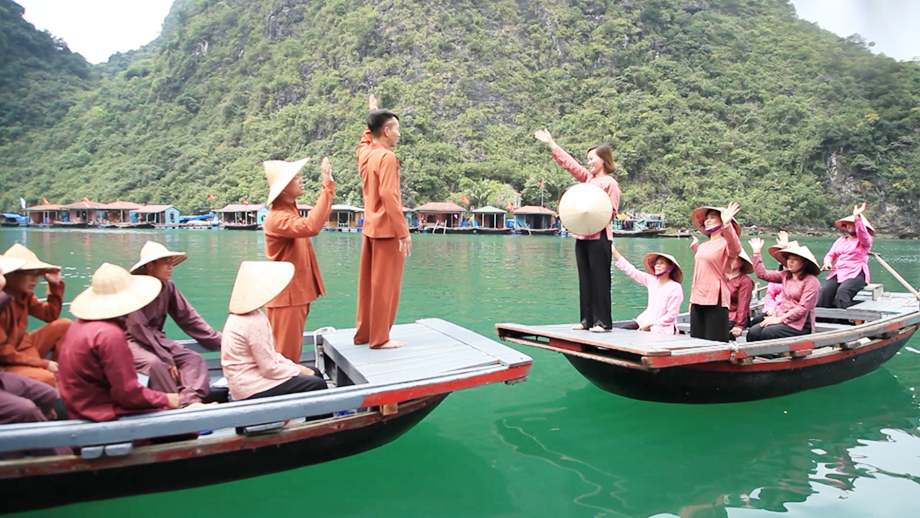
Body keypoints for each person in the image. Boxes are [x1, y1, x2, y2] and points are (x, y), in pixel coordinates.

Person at [58, 263, 181, 422]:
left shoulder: (78, 326)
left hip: (80, 409)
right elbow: (128, 394)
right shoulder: (110, 334)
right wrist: (166, 399)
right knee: (179, 420)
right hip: (102, 414)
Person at [534, 128, 621, 332]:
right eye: (588, 159)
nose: (589, 162)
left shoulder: (611, 184)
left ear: (603, 159)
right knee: (585, 279)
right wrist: (552, 144)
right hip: (582, 236)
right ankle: (587, 320)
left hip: (600, 237)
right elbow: (570, 164)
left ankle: (603, 322)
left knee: (600, 280)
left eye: (592, 158)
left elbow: (611, 211)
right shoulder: (589, 180)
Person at [126, 241, 222, 406]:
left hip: (156, 339)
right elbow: (138, 329)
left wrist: (218, 340)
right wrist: (166, 359)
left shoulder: (167, 287)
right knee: (154, 364)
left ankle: (191, 401)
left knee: (193, 359)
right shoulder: (134, 290)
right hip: (132, 340)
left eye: (171, 262)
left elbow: (188, 317)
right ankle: (172, 404)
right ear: (150, 265)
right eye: (166, 262)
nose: (171, 266)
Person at [263, 156, 335, 362]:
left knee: (290, 352)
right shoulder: (278, 218)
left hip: (295, 295)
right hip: (287, 297)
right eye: (296, 178)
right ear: (284, 188)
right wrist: (327, 186)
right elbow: (311, 227)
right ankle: (284, 391)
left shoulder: (289, 212)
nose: (301, 180)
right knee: (285, 356)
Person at [221, 261, 327, 401]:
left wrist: (292, 366)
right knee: (317, 383)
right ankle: (321, 421)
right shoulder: (255, 321)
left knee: (314, 372)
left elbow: (269, 357)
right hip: (252, 386)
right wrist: (298, 370)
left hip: (242, 382)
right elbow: (269, 368)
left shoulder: (236, 316)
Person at [355, 94, 412, 349]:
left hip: (370, 228)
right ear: (387, 131)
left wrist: (372, 113)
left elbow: (364, 140)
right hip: (388, 230)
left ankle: (365, 333)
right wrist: (403, 232)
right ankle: (380, 338)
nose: (399, 134)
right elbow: (390, 195)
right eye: (396, 129)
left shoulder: (366, 154)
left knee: (369, 286)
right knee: (386, 287)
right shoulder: (387, 157)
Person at [0, 244, 72, 387]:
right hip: (5, 360)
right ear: (10, 274)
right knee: (45, 378)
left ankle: (62, 372)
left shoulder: (23, 295)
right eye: (29, 274)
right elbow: (3, 352)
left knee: (64, 325)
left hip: (21, 348)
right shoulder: (2, 301)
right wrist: (44, 364)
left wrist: (54, 286)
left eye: (37, 274)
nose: (35, 279)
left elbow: (49, 315)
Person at [746, 239, 821, 342]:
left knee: (767, 332)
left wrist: (780, 319)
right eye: (789, 259)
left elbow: (803, 308)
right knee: (753, 332)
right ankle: (753, 356)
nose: (790, 262)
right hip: (781, 316)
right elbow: (762, 274)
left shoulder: (811, 281)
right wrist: (757, 253)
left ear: (804, 262)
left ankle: (773, 356)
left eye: (795, 259)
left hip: (799, 323)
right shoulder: (785, 275)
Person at [688, 203, 742, 342]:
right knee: (696, 339)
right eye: (706, 218)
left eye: (713, 217)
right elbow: (698, 273)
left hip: (715, 297)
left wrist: (727, 224)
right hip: (698, 297)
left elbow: (735, 248)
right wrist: (692, 299)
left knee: (714, 340)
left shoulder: (726, 243)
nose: (708, 220)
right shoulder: (704, 246)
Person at [611, 245, 684, 334]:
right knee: (621, 331)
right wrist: (615, 252)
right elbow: (632, 271)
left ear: (670, 267)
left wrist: (652, 324)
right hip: (645, 320)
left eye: (662, 263)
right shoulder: (651, 280)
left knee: (645, 333)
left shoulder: (675, 287)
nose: (658, 266)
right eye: (656, 263)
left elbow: (671, 315)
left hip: (662, 327)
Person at [818, 203, 873, 309]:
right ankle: (821, 318)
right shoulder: (841, 240)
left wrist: (857, 218)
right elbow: (831, 254)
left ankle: (843, 319)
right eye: (847, 224)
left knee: (843, 291)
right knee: (825, 291)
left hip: (856, 273)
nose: (849, 226)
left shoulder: (864, 241)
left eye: (852, 224)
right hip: (838, 272)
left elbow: (862, 233)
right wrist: (828, 263)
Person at [727, 251, 755, 338]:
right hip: (720, 314)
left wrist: (739, 325)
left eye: (734, 258)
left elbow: (743, 304)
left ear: (742, 262)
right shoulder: (721, 278)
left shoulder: (745, 281)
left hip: (735, 318)